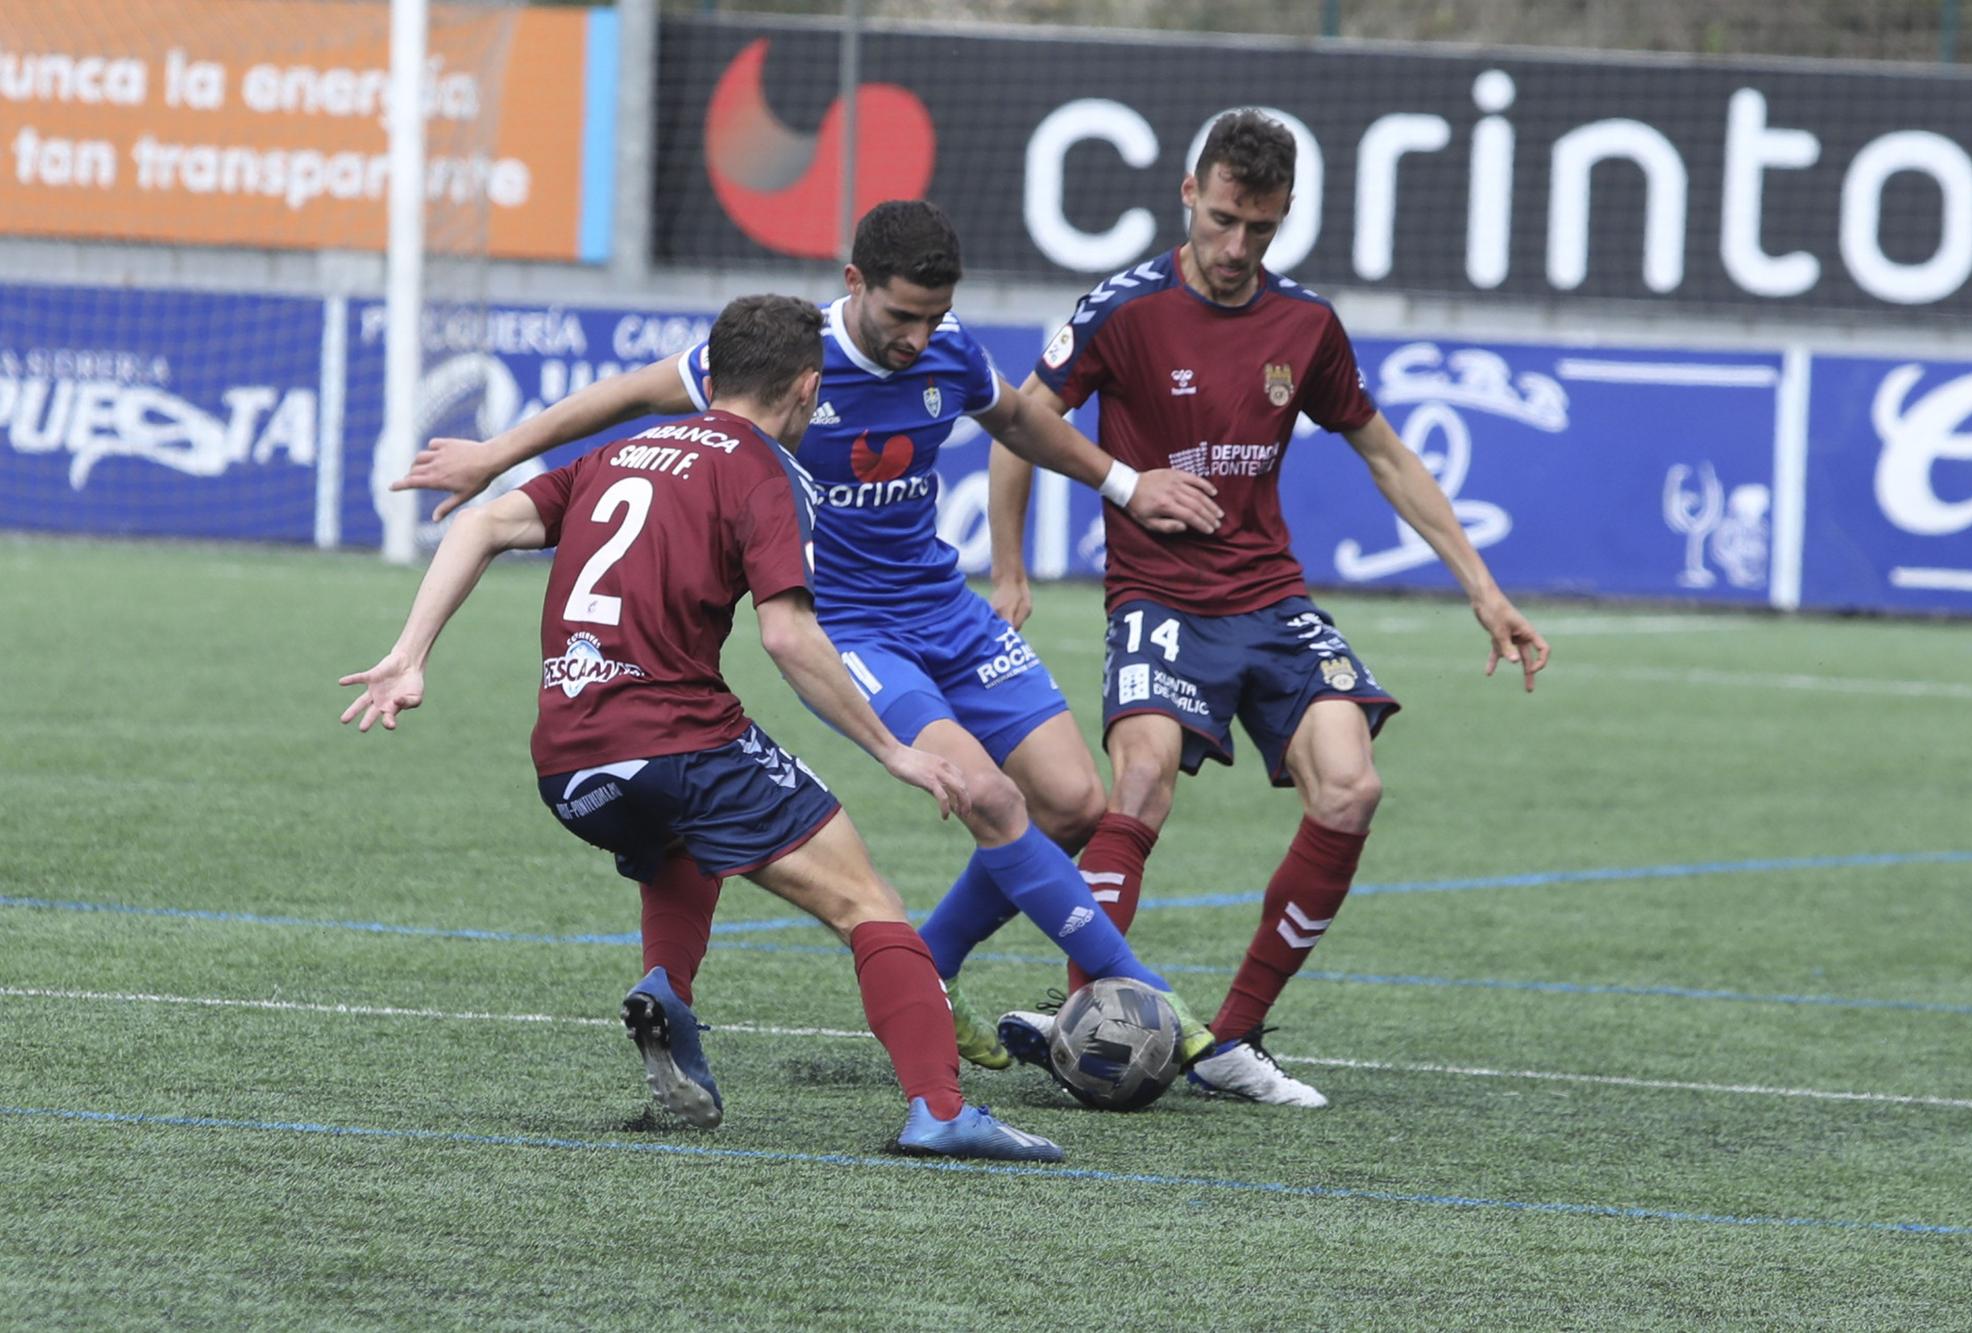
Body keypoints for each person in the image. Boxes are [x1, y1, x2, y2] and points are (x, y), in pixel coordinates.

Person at [391, 201, 1226, 1076]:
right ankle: (1160, 1006)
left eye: (935, 317)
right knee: (986, 793)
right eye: (903, 316)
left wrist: (1127, 484)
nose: (918, 337)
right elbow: (628, 394)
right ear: (854, 284)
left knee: (1074, 804)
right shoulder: (789, 362)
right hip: (852, 627)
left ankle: (927, 966)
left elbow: (1017, 420)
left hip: (945, 605)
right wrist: (496, 453)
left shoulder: (950, 349)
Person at [339, 293, 1062, 1161]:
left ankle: (665, 990)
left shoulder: (619, 452)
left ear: (710, 376)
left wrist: (410, 654)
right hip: (678, 738)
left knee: (680, 838)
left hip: (569, 762)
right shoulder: (766, 472)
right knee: (867, 902)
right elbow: (790, 634)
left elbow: (487, 520)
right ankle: (941, 1109)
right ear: (806, 387)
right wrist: (895, 748)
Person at [982, 110, 1551, 1107]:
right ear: (1187, 197)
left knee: (1350, 789)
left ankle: (1232, 1039)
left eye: (1261, 229)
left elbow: (1383, 452)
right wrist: (1010, 570)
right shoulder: (1122, 309)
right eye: (1222, 221)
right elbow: (1015, 425)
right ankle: (1091, 1014)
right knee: (1141, 781)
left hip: (1270, 597)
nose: (1237, 248)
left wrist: (1482, 588)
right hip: (1158, 596)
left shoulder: (1305, 326)